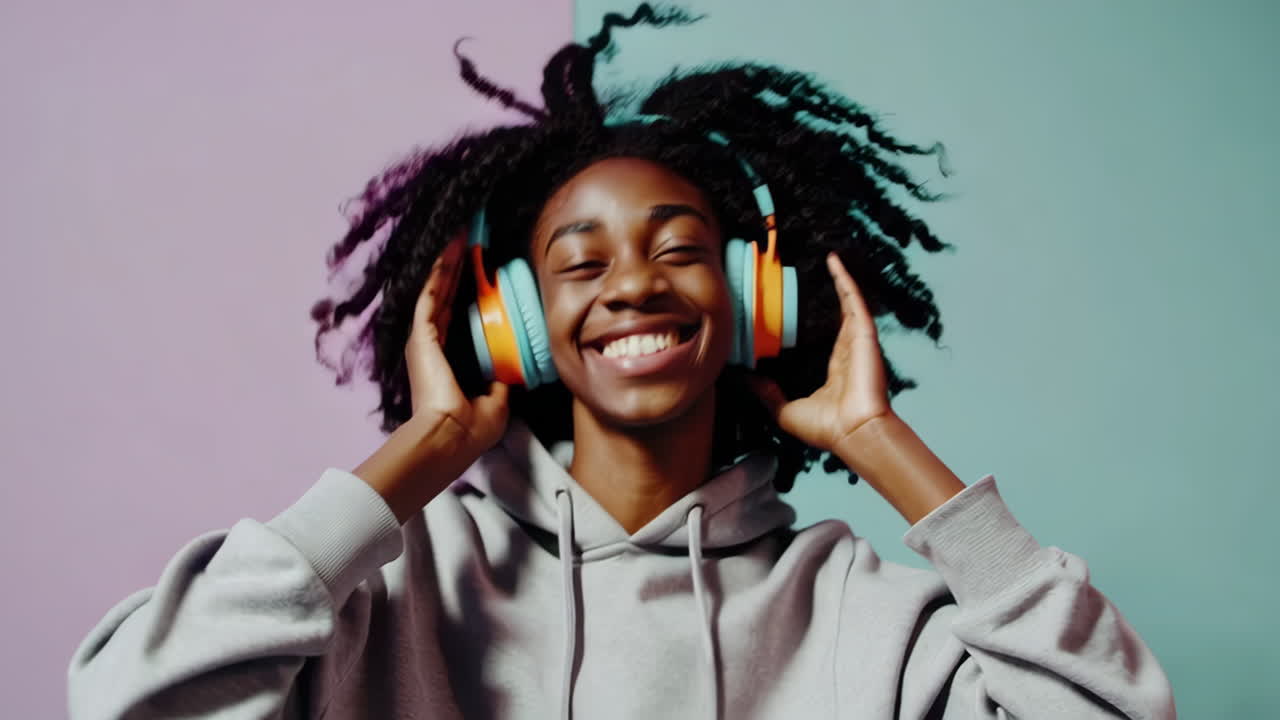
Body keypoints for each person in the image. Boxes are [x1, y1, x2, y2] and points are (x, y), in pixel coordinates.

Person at [67, 6, 1176, 719]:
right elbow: (126, 702)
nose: (635, 285)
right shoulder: (388, 592)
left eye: (680, 252)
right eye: (580, 265)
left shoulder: (858, 615)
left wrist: (885, 450)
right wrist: (421, 455)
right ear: (515, 324)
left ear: (749, 304)